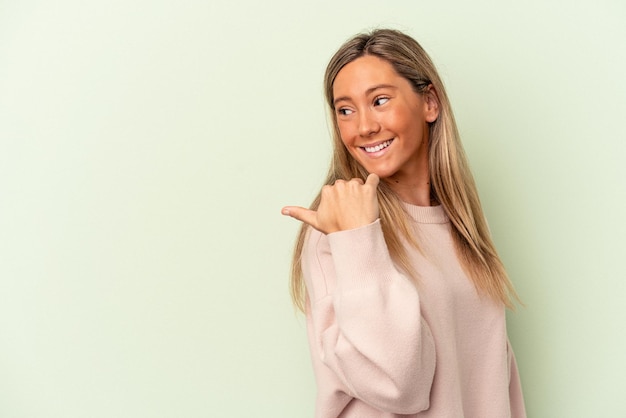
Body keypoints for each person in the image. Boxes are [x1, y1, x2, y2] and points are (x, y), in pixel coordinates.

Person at [281, 28, 526, 418]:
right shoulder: (338, 232)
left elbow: (496, 381)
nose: (363, 127)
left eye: (379, 101)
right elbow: (400, 386)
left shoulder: (461, 226)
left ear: (429, 102)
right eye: (345, 110)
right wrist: (356, 239)